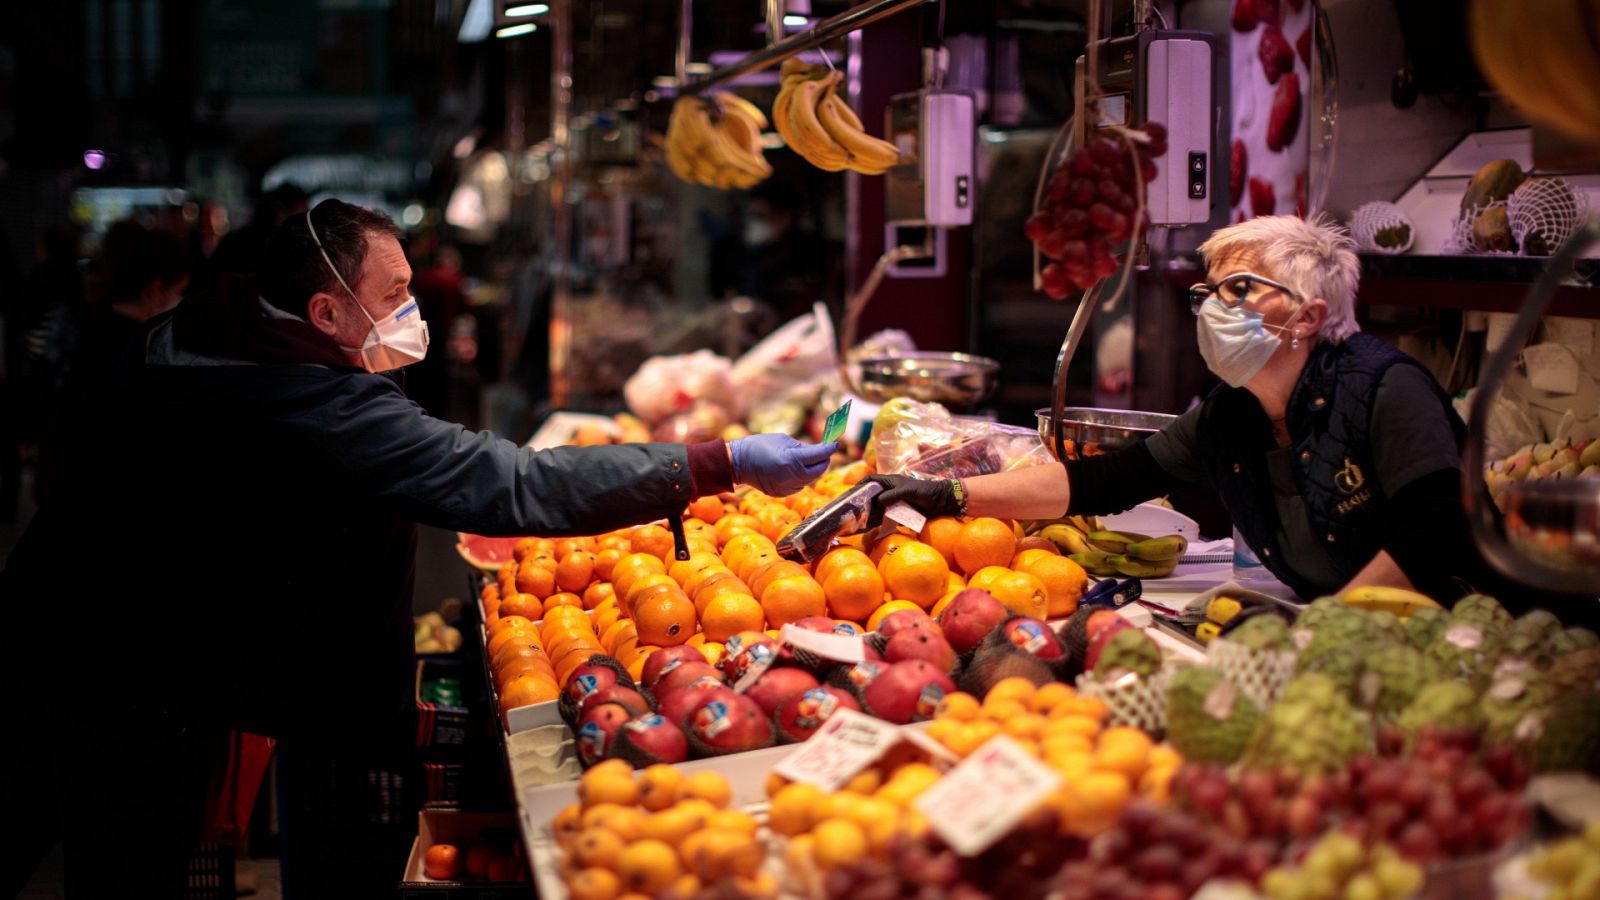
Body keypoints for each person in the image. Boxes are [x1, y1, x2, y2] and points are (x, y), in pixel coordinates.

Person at [0, 198, 837, 897]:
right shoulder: (315, 406)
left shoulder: (205, 333)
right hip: (123, 665)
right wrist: (714, 462)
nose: (412, 310)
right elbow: (515, 484)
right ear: (325, 313)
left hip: (108, 628)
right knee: (128, 854)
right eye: (394, 292)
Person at [867, 214, 1571, 611]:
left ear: (1307, 316)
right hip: (1342, 631)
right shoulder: (1231, 413)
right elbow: (1097, 484)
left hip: (1469, 633)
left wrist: (1326, 629)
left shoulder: (1388, 388)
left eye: (1239, 288)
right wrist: (947, 494)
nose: (1210, 307)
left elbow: (1432, 532)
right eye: (1207, 291)